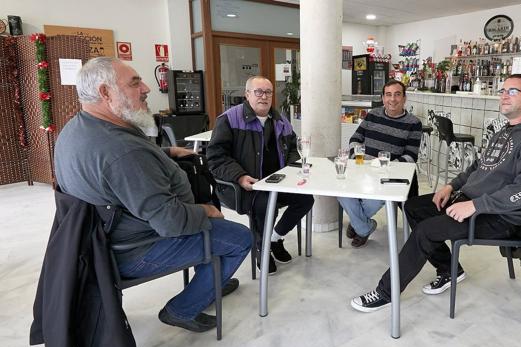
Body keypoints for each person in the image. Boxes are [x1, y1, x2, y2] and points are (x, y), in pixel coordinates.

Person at [54, 57, 252, 332]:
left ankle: (213, 276)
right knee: (240, 237)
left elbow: (118, 169)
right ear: (105, 92)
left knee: (216, 230)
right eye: (135, 83)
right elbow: (171, 222)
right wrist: (206, 211)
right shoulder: (123, 151)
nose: (147, 88)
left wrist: (166, 153)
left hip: (96, 243)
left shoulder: (77, 129)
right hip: (134, 249)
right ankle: (181, 310)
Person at [351, 74, 521, 312]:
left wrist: (474, 206)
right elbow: (478, 167)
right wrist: (451, 187)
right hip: (472, 201)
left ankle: (385, 292)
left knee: (426, 231)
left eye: (512, 91)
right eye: (503, 90)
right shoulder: (504, 132)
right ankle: (450, 269)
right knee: (413, 207)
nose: (504, 96)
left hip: (499, 216)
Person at [206, 75, 314, 275]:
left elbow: (292, 147)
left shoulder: (279, 119)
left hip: (277, 182)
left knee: (305, 199)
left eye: (268, 92)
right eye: (258, 92)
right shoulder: (229, 119)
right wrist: (239, 176)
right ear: (247, 94)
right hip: (243, 185)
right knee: (266, 205)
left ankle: (274, 239)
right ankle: (261, 248)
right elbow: (215, 158)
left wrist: (292, 170)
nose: (264, 96)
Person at [338, 80, 421, 247]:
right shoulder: (373, 115)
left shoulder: (413, 123)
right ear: (383, 98)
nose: (393, 99)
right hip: (363, 171)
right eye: (388, 95)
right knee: (341, 192)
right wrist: (357, 155)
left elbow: (411, 156)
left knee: (374, 200)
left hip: (388, 176)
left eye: (397, 94)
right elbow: (355, 138)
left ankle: (358, 225)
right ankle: (364, 227)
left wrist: (387, 167)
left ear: (404, 98)